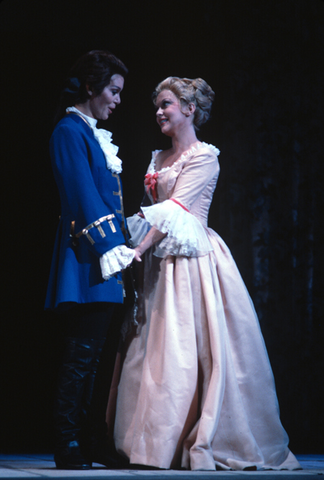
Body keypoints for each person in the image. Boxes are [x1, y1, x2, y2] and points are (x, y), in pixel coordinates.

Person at [108, 77, 301, 471]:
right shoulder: (158, 158)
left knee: (187, 346)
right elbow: (154, 209)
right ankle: (153, 442)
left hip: (193, 257)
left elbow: (177, 209)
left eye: (167, 104)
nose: (159, 112)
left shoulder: (204, 156)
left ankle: (194, 435)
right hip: (161, 259)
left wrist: (139, 249)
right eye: (158, 106)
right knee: (155, 345)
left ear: (189, 109)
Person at [45, 50, 135, 470]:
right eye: (113, 91)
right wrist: (111, 246)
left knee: (100, 358)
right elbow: (82, 194)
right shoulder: (69, 130)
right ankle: (67, 443)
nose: (117, 100)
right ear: (90, 86)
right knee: (81, 356)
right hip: (87, 258)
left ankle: (93, 440)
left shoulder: (92, 132)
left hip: (106, 261)